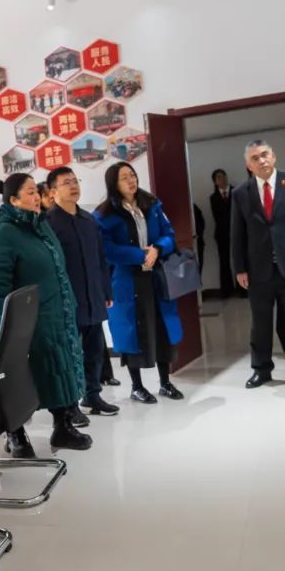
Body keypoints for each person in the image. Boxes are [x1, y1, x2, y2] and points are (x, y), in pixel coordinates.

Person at [0, 173, 92, 451]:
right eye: (31, 192)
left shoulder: (40, 224)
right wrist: (6, 326)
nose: (37, 197)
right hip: (32, 318)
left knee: (61, 368)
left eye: (37, 191)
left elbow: (57, 268)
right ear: (13, 200)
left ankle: (63, 427)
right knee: (26, 377)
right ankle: (16, 434)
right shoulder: (4, 232)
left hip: (58, 311)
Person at [230, 140, 285, 390]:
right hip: (258, 270)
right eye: (255, 158)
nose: (262, 161)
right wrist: (240, 268)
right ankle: (261, 370)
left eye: (265, 155)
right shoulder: (241, 193)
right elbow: (237, 234)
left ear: (274, 156)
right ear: (248, 165)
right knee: (260, 324)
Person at [95, 162, 185, 404]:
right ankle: (136, 386)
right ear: (114, 184)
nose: (131, 180)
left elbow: (169, 234)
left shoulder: (152, 204)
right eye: (124, 178)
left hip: (156, 276)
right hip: (127, 280)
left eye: (132, 175)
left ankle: (165, 382)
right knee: (132, 331)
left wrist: (157, 249)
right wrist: (140, 255)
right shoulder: (104, 214)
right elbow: (107, 249)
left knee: (161, 328)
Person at [45, 166, 120, 418]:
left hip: (92, 296)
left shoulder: (89, 220)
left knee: (95, 349)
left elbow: (100, 259)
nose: (73, 186)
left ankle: (92, 395)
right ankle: (70, 405)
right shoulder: (48, 224)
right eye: (66, 182)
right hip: (66, 301)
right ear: (53, 192)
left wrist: (106, 290)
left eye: (74, 181)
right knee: (69, 354)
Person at [209, 168, 237, 297]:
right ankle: (227, 289)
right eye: (219, 177)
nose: (222, 179)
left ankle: (243, 289)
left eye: (223, 176)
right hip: (222, 233)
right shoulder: (213, 198)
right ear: (215, 182)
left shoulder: (236, 192)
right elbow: (217, 217)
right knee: (224, 261)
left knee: (239, 259)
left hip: (237, 231)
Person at [193, 203, 206, 274]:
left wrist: (197, 234)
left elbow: (201, 224)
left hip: (197, 243)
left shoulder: (194, 208)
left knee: (198, 271)